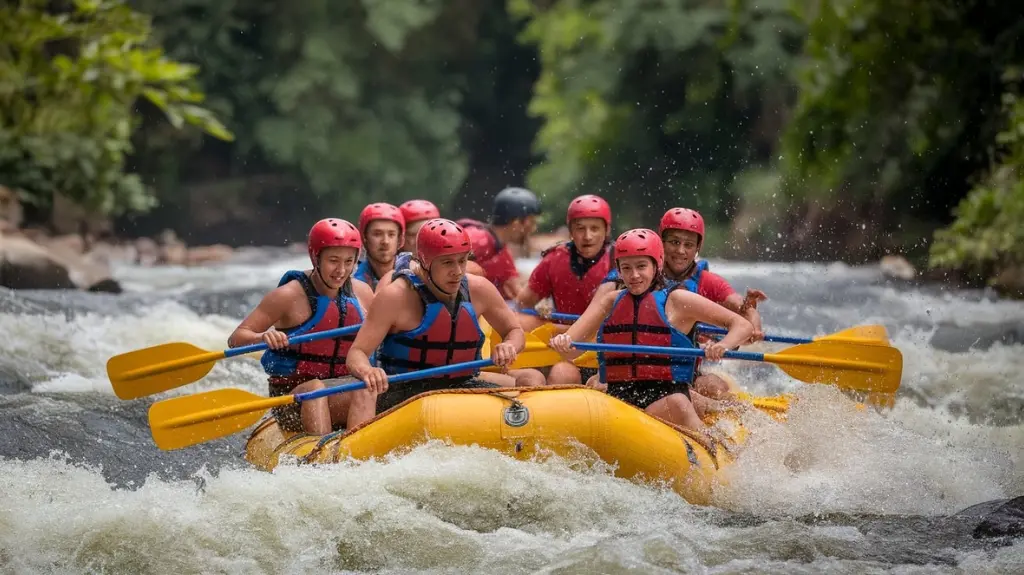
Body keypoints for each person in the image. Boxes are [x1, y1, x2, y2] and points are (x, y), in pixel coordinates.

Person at [549, 229, 753, 435]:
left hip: (665, 402)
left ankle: (713, 443)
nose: (634, 275)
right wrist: (562, 343)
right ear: (618, 270)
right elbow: (572, 350)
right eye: (626, 268)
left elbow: (743, 326)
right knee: (594, 385)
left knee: (678, 403)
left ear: (657, 265)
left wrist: (722, 345)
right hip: (620, 401)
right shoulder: (610, 301)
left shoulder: (678, 300)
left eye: (641, 266)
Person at [346, 218, 542, 425]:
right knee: (364, 389)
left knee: (532, 378)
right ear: (425, 261)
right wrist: (368, 371)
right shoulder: (395, 297)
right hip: (405, 390)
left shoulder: (480, 289)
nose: (457, 271)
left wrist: (509, 345)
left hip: (463, 383)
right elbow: (356, 353)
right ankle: (352, 452)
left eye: (462, 260)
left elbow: (514, 330)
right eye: (448, 262)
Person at [595, 207, 767, 399]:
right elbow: (596, 310)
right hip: (628, 377)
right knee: (596, 383)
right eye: (674, 242)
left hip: (680, 376)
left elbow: (742, 311)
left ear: (697, 248)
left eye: (688, 245)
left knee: (711, 387)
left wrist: (752, 318)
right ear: (661, 242)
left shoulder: (708, 282)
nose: (680, 251)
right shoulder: (629, 275)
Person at [228, 218, 376, 435]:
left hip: (339, 388)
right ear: (316, 257)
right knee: (316, 389)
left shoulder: (362, 292)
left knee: (366, 382)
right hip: (292, 399)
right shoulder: (288, 296)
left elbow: (379, 338)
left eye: (349, 261)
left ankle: (357, 451)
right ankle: (318, 457)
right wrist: (263, 338)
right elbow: (236, 339)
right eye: (333, 260)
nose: (341, 270)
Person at [513, 194, 615, 385]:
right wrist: (542, 312)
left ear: (606, 230)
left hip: (606, 348)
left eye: (595, 228)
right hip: (568, 348)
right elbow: (523, 302)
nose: (587, 236)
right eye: (580, 228)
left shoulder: (620, 261)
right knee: (561, 374)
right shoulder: (555, 259)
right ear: (570, 231)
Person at [458, 187, 542, 300]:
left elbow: (517, 292)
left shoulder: (502, 251)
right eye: (532, 222)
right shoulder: (478, 239)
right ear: (516, 222)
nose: (533, 228)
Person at [353, 202, 405, 291]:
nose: (385, 241)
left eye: (391, 234)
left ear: (399, 239)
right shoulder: (352, 280)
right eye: (377, 234)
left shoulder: (413, 276)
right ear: (364, 237)